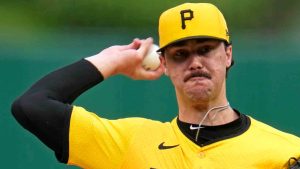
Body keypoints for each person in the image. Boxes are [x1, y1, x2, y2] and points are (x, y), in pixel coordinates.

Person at [11, 3, 300, 169]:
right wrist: (109, 61)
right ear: (164, 65)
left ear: (227, 55)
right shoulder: (127, 144)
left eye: (205, 49)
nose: (195, 62)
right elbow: (31, 106)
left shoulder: (286, 152)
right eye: (180, 54)